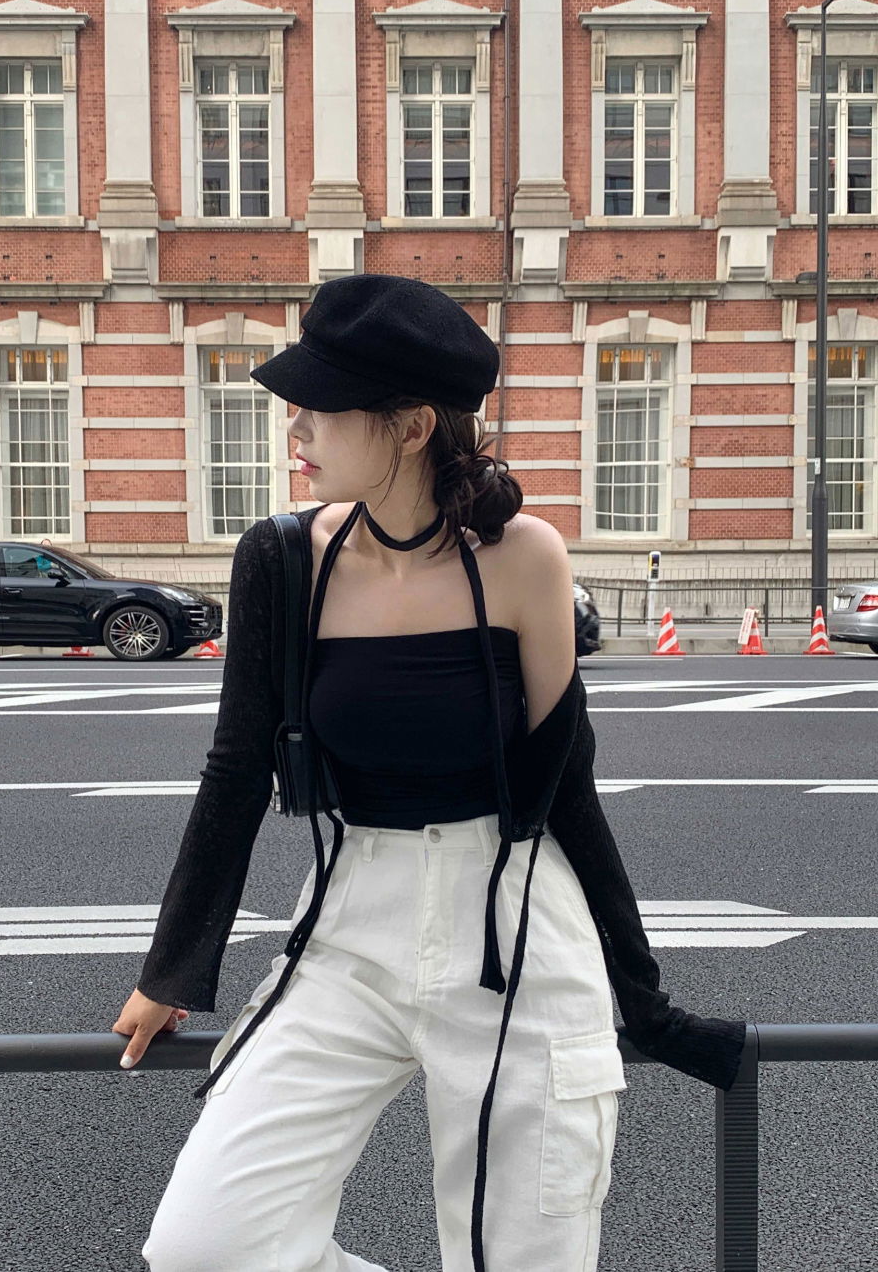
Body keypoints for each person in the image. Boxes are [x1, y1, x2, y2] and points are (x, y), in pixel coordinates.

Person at [114, 274, 747, 1272]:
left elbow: (568, 786)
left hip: (514, 933)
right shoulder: (284, 560)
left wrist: (643, 995)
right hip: (346, 931)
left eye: (321, 405)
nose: (294, 427)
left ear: (410, 427)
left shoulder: (526, 559)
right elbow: (234, 769)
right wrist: (172, 970)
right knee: (206, 1248)